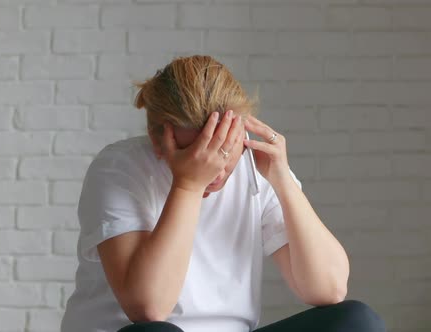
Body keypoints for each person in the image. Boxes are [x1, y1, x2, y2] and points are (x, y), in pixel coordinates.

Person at [60, 55, 385, 332]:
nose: (213, 166)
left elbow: (327, 289)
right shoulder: (119, 168)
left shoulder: (255, 165)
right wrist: (188, 184)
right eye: (193, 150)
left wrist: (282, 179)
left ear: (241, 130)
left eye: (224, 148)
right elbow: (149, 309)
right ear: (156, 138)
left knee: (356, 320)